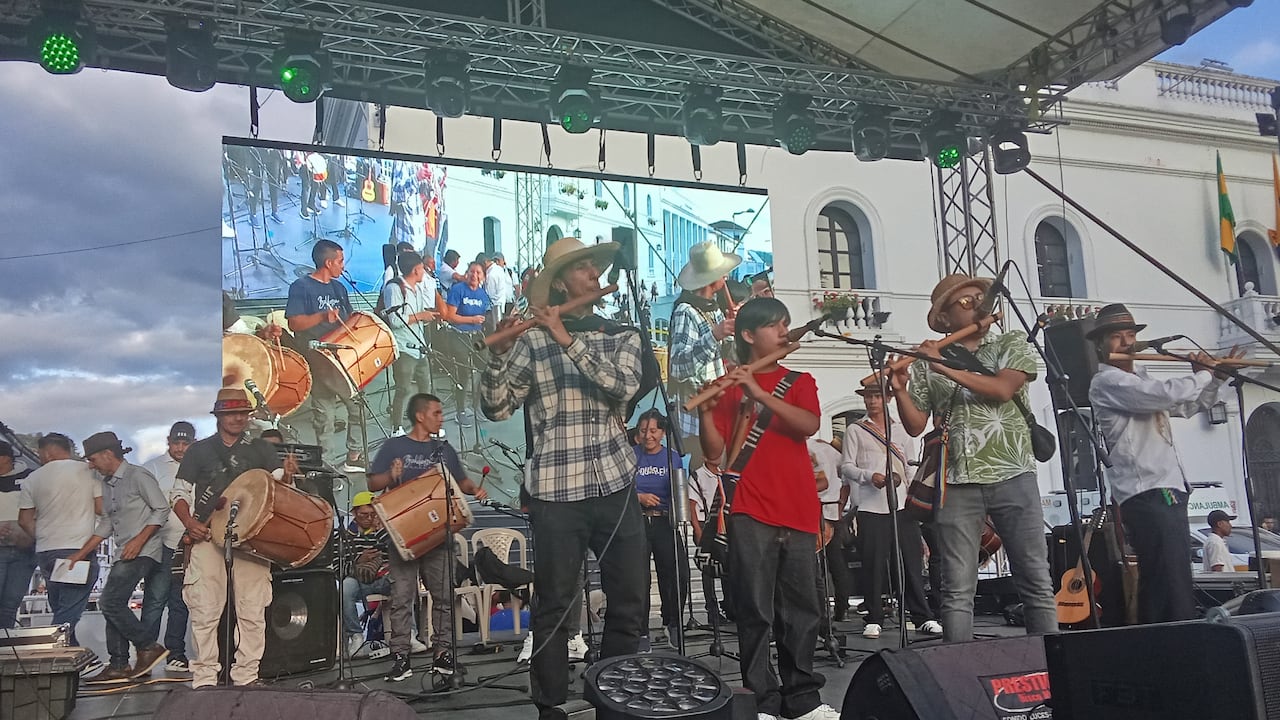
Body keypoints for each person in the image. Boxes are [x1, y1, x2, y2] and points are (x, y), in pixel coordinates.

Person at [481, 236, 649, 720]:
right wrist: (499, 355)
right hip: (556, 491)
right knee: (554, 604)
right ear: (560, 282)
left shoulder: (624, 335)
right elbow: (495, 407)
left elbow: (621, 386)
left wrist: (568, 341)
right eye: (583, 268)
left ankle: (614, 698)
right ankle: (551, 705)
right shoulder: (532, 341)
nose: (595, 272)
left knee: (630, 600)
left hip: (616, 484)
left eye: (597, 265)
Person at [892, 273, 1056, 643]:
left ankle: (1051, 667)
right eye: (965, 303)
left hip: (1012, 471)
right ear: (945, 318)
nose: (978, 305)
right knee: (957, 586)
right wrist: (900, 389)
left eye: (980, 299)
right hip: (957, 480)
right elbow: (916, 424)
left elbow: (1001, 389)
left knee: (1034, 577)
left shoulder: (1010, 343)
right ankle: (960, 671)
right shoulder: (926, 362)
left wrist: (944, 368)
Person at [697, 297, 838, 720]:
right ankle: (762, 700)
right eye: (775, 325)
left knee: (801, 610)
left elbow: (807, 425)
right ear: (747, 335)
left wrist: (759, 392)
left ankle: (803, 699)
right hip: (749, 509)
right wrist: (706, 413)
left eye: (785, 325)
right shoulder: (727, 385)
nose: (783, 332)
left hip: (796, 506)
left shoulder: (799, 379)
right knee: (753, 609)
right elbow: (715, 454)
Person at [1087, 303, 1238, 622]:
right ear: (1102, 344)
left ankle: (1165, 647)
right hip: (1148, 491)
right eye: (1117, 336)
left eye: (1130, 334)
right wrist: (1203, 374)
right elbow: (1164, 394)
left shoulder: (1139, 378)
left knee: (1170, 578)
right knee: (1168, 579)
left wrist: (1214, 381)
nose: (1127, 342)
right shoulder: (1108, 382)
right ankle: (1173, 645)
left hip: (1166, 488)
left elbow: (1185, 407)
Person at [172, 387, 294, 688]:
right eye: (232, 413)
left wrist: (290, 475)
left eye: (243, 412)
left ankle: (246, 676)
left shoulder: (261, 450)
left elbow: (280, 490)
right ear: (219, 416)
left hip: (252, 540)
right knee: (205, 610)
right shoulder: (199, 451)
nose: (238, 418)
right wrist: (189, 522)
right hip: (207, 536)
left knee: (252, 610)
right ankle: (204, 679)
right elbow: (178, 493)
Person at [368, 393, 487, 682]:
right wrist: (390, 475)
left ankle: (443, 654)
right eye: (436, 412)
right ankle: (400, 656)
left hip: (438, 534)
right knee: (402, 597)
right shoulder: (394, 446)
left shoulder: (443, 449)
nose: (441, 417)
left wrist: (475, 490)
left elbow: (461, 480)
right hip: (403, 536)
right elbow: (373, 482)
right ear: (420, 416)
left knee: (444, 596)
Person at [839, 385, 941, 639]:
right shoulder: (855, 430)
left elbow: (908, 467)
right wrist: (867, 476)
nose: (872, 401)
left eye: (877, 396)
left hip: (902, 506)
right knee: (873, 563)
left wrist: (911, 494)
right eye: (868, 397)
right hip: (870, 506)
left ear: (888, 398)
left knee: (911, 562)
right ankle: (874, 617)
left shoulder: (902, 429)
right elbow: (846, 467)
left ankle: (922, 616)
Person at [77, 432, 170, 683]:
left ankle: (148, 646)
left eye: (93, 459)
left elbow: (162, 509)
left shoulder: (138, 475)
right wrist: (81, 553)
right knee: (113, 603)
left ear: (108, 455)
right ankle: (119, 664)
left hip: (143, 550)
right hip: (124, 551)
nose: (91, 464)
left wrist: (139, 540)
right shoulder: (107, 484)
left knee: (109, 602)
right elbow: (107, 521)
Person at [286, 239, 367, 472]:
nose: (344, 266)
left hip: (344, 361)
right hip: (318, 360)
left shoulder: (339, 288)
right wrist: (322, 317)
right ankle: (327, 467)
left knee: (358, 407)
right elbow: (294, 322)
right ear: (328, 262)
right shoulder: (301, 287)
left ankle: (353, 456)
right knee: (325, 417)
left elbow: (349, 319)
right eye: (341, 261)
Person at [17, 433, 103, 645]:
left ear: (46, 453)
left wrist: (41, 536)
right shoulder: (87, 472)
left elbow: (24, 520)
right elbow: (101, 508)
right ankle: (49, 650)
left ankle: (70, 661)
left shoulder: (32, 478)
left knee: (61, 607)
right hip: (77, 549)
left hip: (46, 550)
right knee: (68, 613)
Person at [669, 241, 740, 472]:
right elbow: (678, 367)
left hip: (716, 413)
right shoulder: (685, 311)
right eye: (723, 273)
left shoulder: (714, 309)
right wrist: (714, 335)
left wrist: (735, 330)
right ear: (712, 277)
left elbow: (728, 355)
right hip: (695, 424)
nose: (726, 277)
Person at [141, 421, 196, 672]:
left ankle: (176, 653)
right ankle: (146, 652)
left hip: (191, 546)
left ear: (193, 443)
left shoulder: (200, 468)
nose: (181, 448)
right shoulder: (151, 468)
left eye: (186, 443)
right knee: (154, 600)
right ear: (168, 441)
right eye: (177, 442)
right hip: (161, 544)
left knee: (180, 602)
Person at [632, 409, 688, 646]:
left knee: (677, 572)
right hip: (638, 522)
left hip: (665, 521)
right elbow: (620, 488)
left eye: (653, 430)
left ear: (663, 432)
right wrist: (640, 497)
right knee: (638, 578)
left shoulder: (672, 457)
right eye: (644, 431)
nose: (648, 436)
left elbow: (681, 489)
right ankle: (641, 630)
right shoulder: (629, 455)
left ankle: (672, 622)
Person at [383, 251, 443, 434]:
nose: (424, 272)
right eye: (422, 268)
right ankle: (397, 428)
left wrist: (426, 316)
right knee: (403, 389)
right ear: (416, 269)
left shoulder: (417, 288)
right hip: (403, 347)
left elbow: (415, 316)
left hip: (420, 346)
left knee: (426, 387)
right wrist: (420, 316)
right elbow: (394, 320)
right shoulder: (394, 288)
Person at [340, 491, 400, 657]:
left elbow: (398, 557)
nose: (369, 518)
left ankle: (408, 634)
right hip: (359, 580)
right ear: (354, 513)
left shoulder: (386, 530)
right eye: (364, 514)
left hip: (385, 577)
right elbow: (336, 567)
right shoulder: (345, 535)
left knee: (402, 582)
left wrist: (380, 531)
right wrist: (359, 560)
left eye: (373, 514)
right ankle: (356, 635)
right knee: (345, 589)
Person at [808, 436, 851, 635]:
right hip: (833, 508)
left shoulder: (804, 447)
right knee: (836, 562)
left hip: (815, 508)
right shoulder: (829, 448)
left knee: (815, 565)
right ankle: (842, 608)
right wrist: (842, 502)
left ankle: (820, 613)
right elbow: (846, 476)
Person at [442, 261, 491, 425]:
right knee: (463, 373)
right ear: (467, 273)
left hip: (476, 335)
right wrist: (471, 319)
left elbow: (485, 316)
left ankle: (476, 405)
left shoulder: (483, 294)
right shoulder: (458, 290)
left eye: (478, 273)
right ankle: (460, 410)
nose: (474, 275)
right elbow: (449, 315)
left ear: (483, 277)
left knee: (485, 368)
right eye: (471, 272)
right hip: (458, 335)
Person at [687, 457, 733, 625]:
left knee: (726, 565)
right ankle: (711, 611)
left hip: (721, 524)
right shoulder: (697, 476)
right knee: (707, 570)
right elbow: (691, 505)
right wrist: (698, 531)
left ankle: (730, 607)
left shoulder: (723, 475)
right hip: (704, 523)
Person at [0, 441, 35, 630]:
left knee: (11, 601)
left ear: (6, 458)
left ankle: (5, 647)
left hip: (25, 550)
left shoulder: (30, 478)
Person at [484, 252, 516, 324]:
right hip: (498, 306)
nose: (497, 262)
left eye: (498, 260)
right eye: (495, 260)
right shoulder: (493, 272)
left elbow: (516, 287)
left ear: (503, 260)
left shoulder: (510, 272)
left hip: (509, 304)